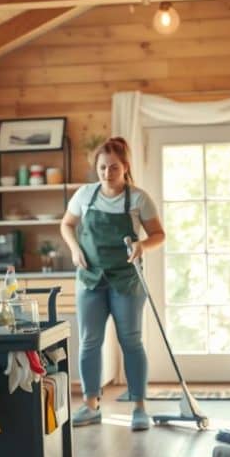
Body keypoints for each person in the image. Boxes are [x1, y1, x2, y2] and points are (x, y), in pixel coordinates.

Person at [60, 137, 165, 431]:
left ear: (125, 167)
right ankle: (90, 405)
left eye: (114, 168)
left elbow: (159, 234)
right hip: (90, 278)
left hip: (127, 280)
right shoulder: (84, 195)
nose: (107, 174)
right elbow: (66, 224)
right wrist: (74, 249)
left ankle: (139, 407)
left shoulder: (139, 199)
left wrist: (143, 246)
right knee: (89, 342)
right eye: (103, 168)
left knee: (131, 341)